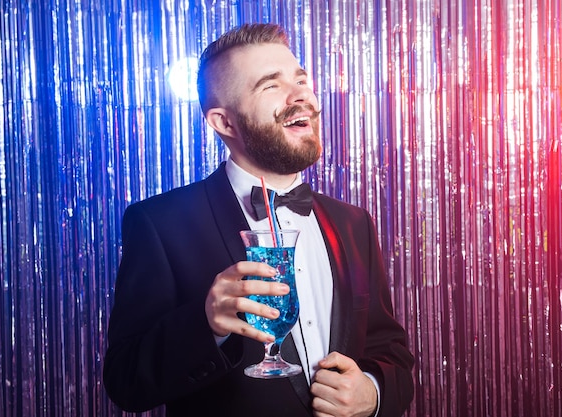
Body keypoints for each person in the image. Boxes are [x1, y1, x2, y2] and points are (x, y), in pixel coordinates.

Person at [103, 23, 414, 417]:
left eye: (301, 79)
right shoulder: (159, 223)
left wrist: (372, 393)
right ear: (224, 122)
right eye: (271, 86)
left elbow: (391, 354)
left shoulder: (354, 223)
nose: (301, 94)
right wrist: (205, 324)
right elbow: (126, 382)